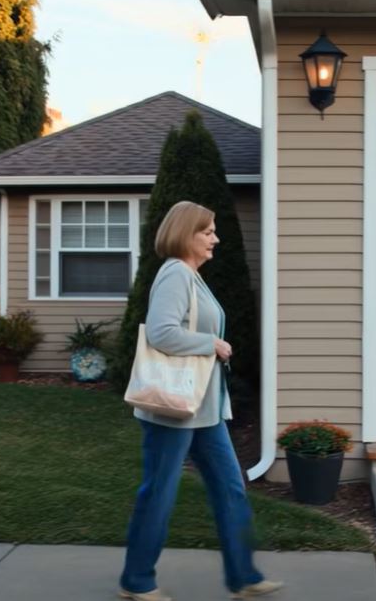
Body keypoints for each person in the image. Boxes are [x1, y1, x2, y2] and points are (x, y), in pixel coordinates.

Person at [119, 201, 283, 601]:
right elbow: (161, 333)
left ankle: (244, 576)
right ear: (185, 234)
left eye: (213, 231)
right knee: (158, 492)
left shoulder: (192, 276)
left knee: (231, 488)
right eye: (207, 231)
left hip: (205, 411)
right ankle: (137, 581)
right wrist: (211, 343)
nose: (216, 238)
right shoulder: (175, 273)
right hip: (174, 410)